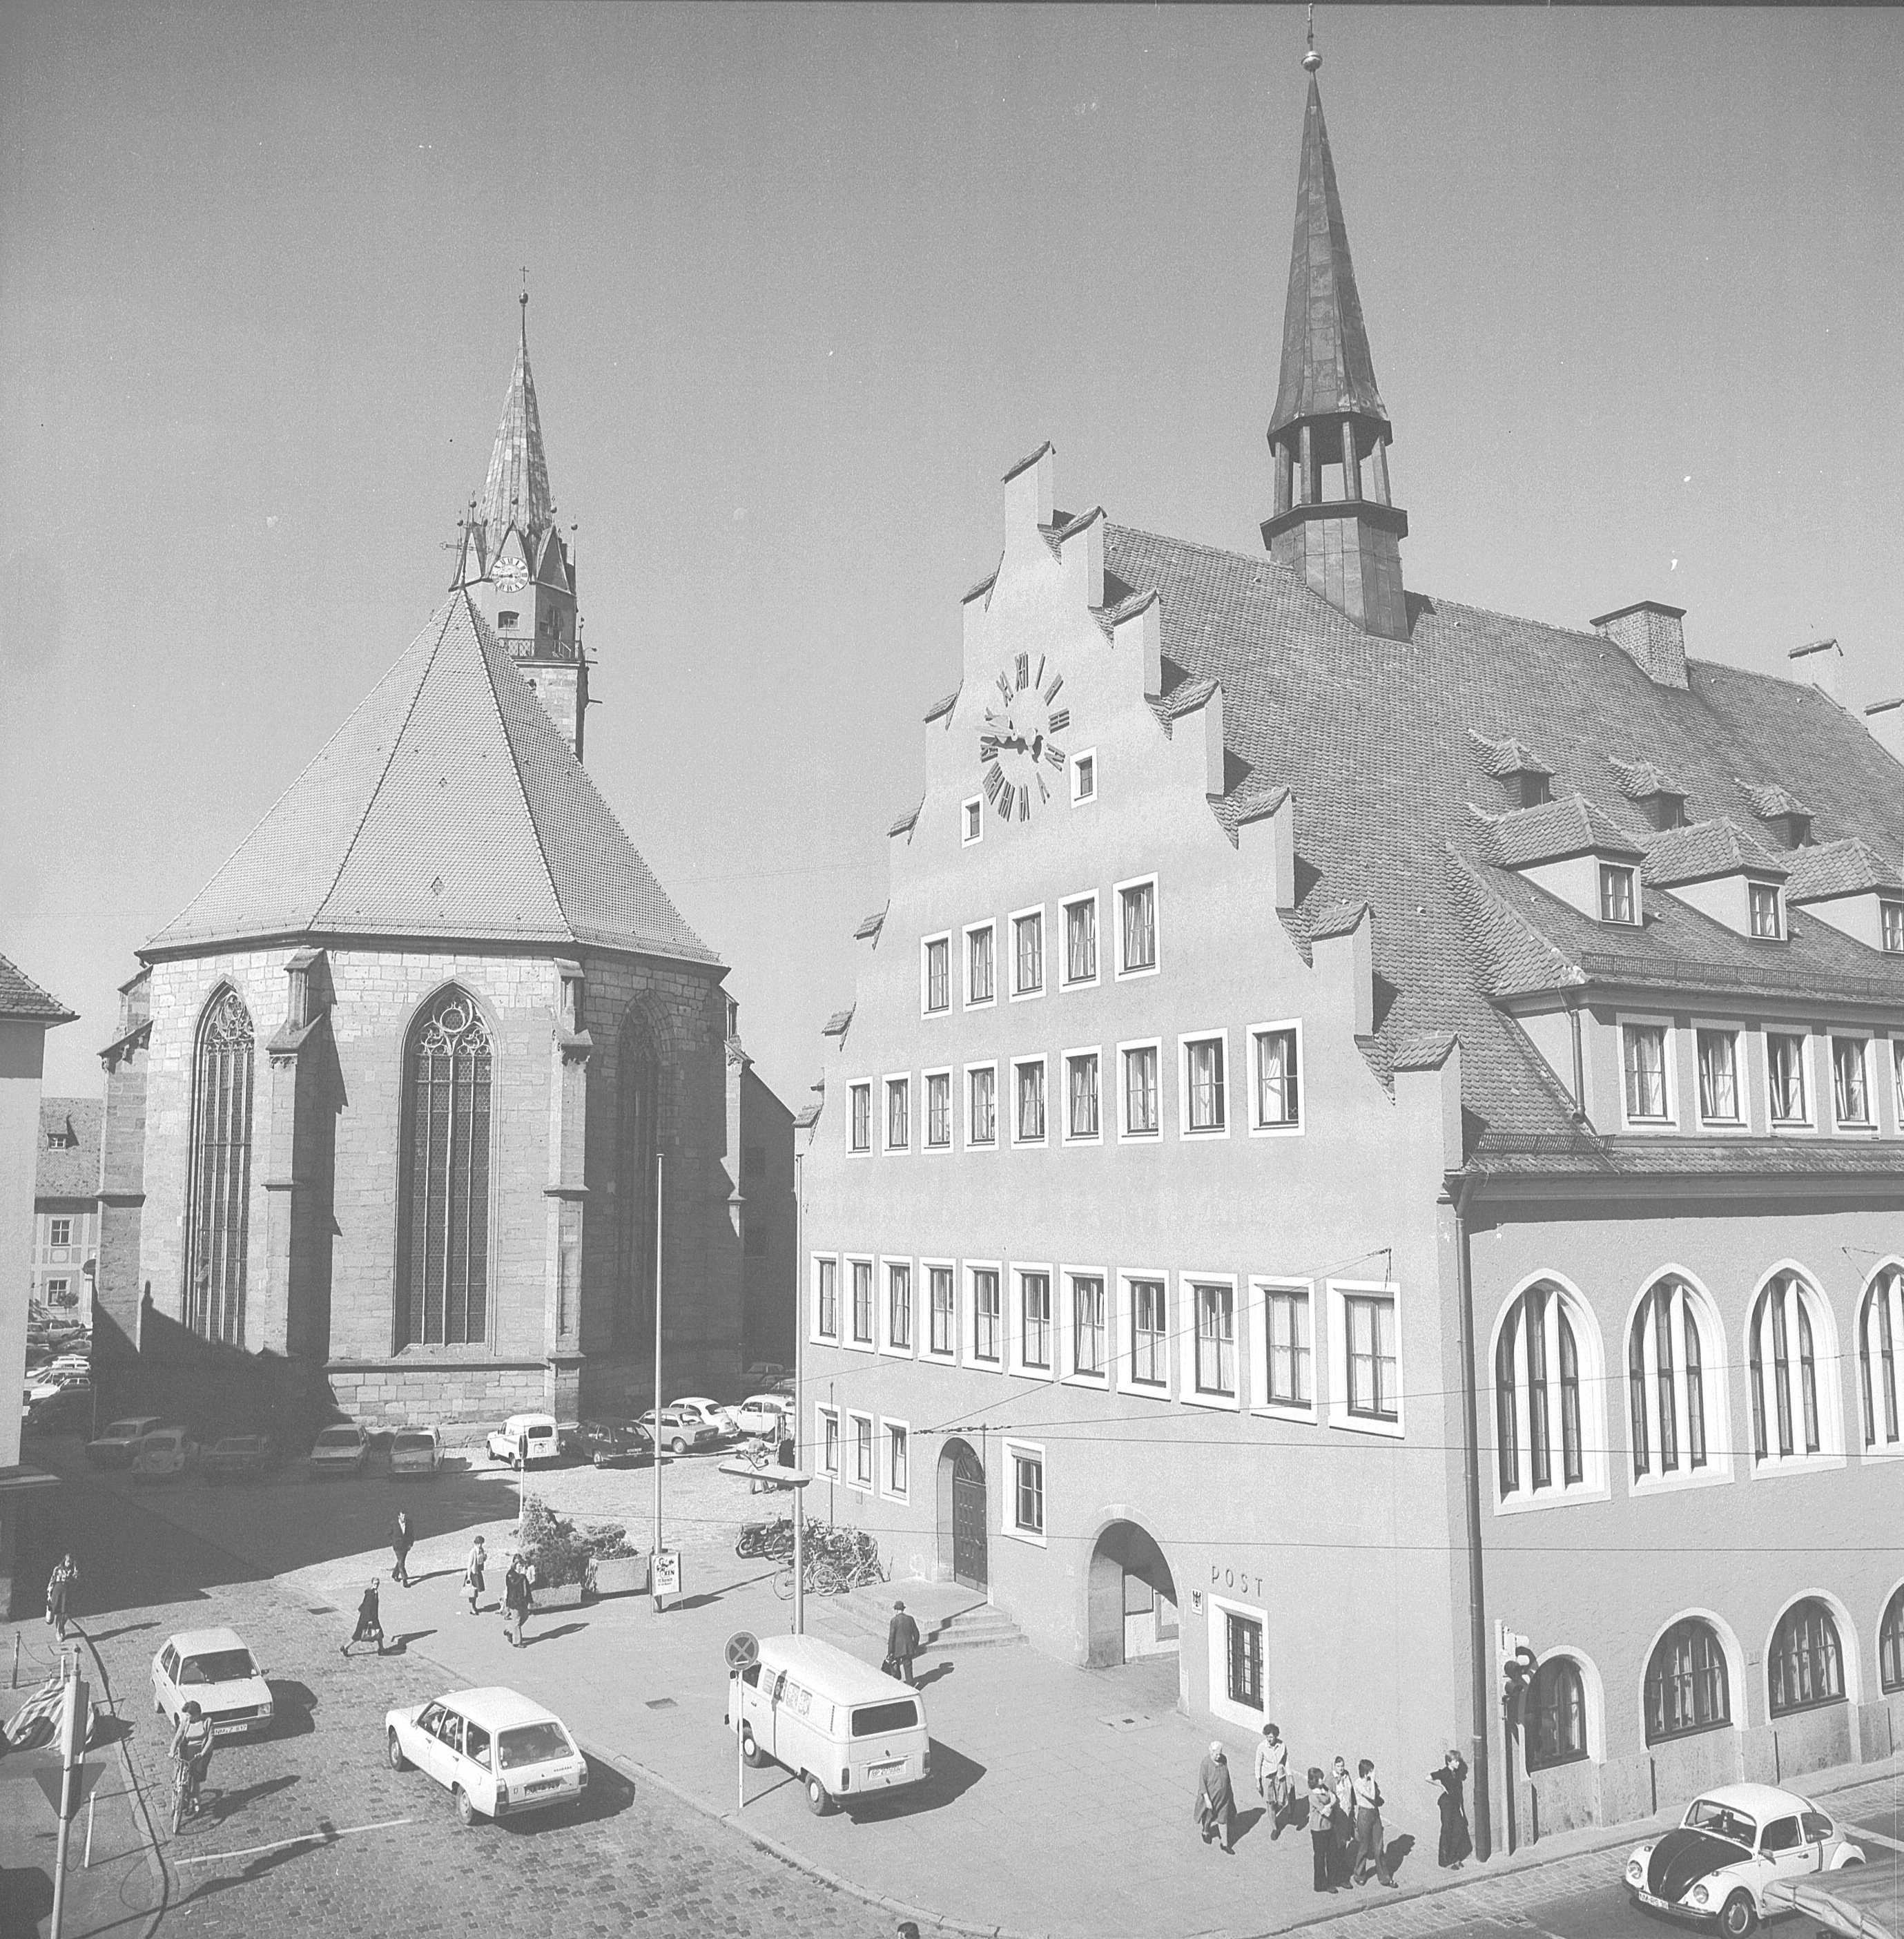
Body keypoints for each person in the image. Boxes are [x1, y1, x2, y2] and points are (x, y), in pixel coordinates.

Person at [1352, 1757, 1396, 1887]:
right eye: (1371, 1771)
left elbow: (1376, 1795)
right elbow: (1371, 1796)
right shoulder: (1359, 1783)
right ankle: (1359, 1874)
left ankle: (1384, 1876)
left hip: (1374, 1814)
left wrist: (1373, 1783)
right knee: (1364, 1846)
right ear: (1366, 1772)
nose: (1373, 1773)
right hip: (1364, 1815)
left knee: (1379, 1846)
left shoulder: (1371, 1783)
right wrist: (1372, 1782)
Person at [168, 1700, 213, 1816]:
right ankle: (179, 1792)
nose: (187, 1717)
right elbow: (178, 1737)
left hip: (201, 1752)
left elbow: (210, 1739)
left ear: (197, 1714)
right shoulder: (185, 1722)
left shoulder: (207, 1722)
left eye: (189, 1715)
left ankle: (197, 1800)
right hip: (187, 1749)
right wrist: (172, 1751)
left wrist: (203, 1753)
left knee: (196, 1778)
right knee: (183, 1773)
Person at [1430, 1748, 1472, 1869]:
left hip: (1454, 1804)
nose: (1458, 1763)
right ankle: (1444, 1860)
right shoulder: (1444, 1772)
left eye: (1458, 1761)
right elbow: (1428, 1778)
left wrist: (1462, 1810)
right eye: (1456, 1761)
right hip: (1446, 1804)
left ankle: (1454, 1857)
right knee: (1447, 1830)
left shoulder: (1457, 1774)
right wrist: (1441, 1786)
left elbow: (1459, 1794)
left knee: (1458, 1828)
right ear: (1449, 1762)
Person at [1194, 1740, 1236, 1855]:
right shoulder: (1206, 1763)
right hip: (1211, 1798)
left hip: (1224, 1797)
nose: (1219, 1756)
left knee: (1223, 1819)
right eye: (1216, 1754)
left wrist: (1230, 1793)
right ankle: (1206, 1830)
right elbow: (1202, 1783)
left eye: (1220, 1753)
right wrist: (1207, 1799)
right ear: (1211, 1752)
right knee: (1209, 1817)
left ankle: (1225, 1844)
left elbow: (1227, 1777)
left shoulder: (1224, 1760)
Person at [1254, 1722, 1291, 1839]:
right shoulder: (1262, 1747)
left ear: (1276, 1736)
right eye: (1267, 1737)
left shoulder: (1282, 1745)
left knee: (1282, 1801)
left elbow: (1286, 1761)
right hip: (1267, 1777)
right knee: (1270, 1803)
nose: (1269, 1739)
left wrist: (1290, 1775)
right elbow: (1258, 1763)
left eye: (1271, 1737)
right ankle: (1275, 1828)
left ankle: (1274, 1812)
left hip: (1280, 1776)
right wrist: (1258, 1780)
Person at [1305, 1766, 1337, 1893]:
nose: (1322, 1779)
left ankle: (1331, 1882)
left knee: (1331, 1855)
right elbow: (1326, 1811)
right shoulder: (1313, 1796)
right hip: (1318, 1829)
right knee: (1319, 1856)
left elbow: (1334, 1798)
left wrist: (1330, 1803)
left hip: (1328, 1827)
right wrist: (1330, 1804)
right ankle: (1320, 1884)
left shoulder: (1324, 1789)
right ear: (1315, 1780)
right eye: (1320, 1778)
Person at [1330, 1757, 1357, 1887]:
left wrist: (1353, 1811)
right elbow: (1328, 1799)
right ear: (1334, 1766)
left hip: (1348, 1814)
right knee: (1338, 1846)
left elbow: (1351, 1793)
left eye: (1342, 1766)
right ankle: (1339, 1877)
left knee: (1344, 1844)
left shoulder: (1347, 1775)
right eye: (1339, 1766)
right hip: (1337, 1817)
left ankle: (1341, 1871)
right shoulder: (1330, 1779)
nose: (1341, 1769)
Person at [342, 1579, 384, 1656]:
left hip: (371, 1617)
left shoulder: (374, 1592)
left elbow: (364, 1603)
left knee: (379, 1634)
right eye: (375, 1584)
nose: (376, 1585)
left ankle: (381, 1649)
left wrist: (360, 1609)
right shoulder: (371, 1594)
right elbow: (368, 1607)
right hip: (368, 1619)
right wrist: (369, 1620)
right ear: (372, 1583)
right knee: (358, 1635)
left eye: (378, 1584)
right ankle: (345, 1647)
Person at [885, 1600, 921, 1686]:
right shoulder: (910, 1619)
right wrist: (914, 1646)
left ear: (896, 1610)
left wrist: (890, 1652)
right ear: (903, 1609)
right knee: (908, 1668)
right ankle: (911, 1686)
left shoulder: (894, 1621)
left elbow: (892, 1637)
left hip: (897, 1649)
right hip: (908, 1648)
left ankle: (898, 1686)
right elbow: (917, 1634)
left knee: (895, 1668)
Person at [45, 1553, 77, 1642]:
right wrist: (49, 1594)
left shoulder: (73, 1571)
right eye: (67, 1562)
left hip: (67, 1593)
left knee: (67, 1614)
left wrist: (74, 1571)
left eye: (71, 1562)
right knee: (59, 1613)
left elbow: (76, 1581)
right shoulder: (58, 1569)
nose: (69, 1564)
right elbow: (52, 1581)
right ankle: (58, 1632)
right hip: (58, 1592)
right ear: (64, 1561)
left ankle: (62, 1627)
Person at [503, 1555, 532, 1648]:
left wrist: (529, 1599)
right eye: (519, 1565)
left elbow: (526, 1587)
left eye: (522, 1566)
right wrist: (522, 1576)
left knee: (525, 1616)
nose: (521, 1567)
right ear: (515, 1565)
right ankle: (517, 1642)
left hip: (522, 1601)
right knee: (517, 1621)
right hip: (514, 1601)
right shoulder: (510, 1575)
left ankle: (510, 1631)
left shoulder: (521, 1575)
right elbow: (514, 1585)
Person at [463, 1534, 487, 1615]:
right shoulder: (473, 1552)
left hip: (477, 1572)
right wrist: (469, 1577)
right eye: (479, 1544)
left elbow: (481, 1561)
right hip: (473, 1574)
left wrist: (484, 1558)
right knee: (472, 1592)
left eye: (481, 1544)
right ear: (476, 1544)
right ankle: (472, 1608)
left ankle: (474, 1606)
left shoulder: (481, 1551)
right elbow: (469, 1565)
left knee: (476, 1591)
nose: (480, 1545)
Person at [391, 1511, 414, 1588]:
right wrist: (393, 1541)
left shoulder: (409, 1523)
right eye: (402, 1516)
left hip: (405, 1546)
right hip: (397, 1547)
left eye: (405, 1516)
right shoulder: (394, 1524)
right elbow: (389, 1533)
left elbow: (411, 1534)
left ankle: (395, 1574)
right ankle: (405, 1580)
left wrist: (410, 1544)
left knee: (401, 1561)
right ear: (399, 1517)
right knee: (401, 1563)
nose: (404, 1518)